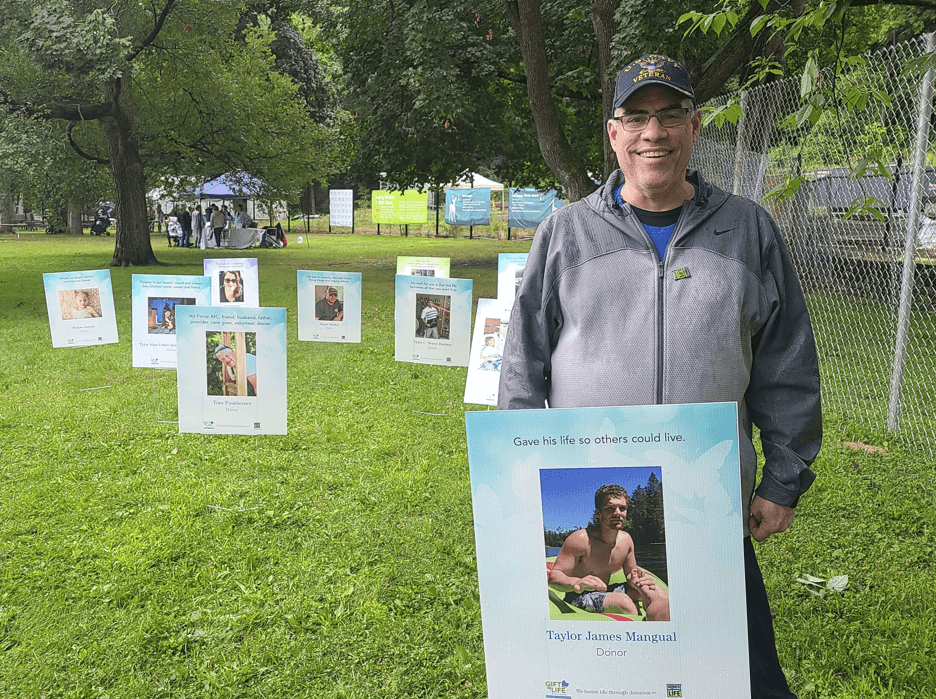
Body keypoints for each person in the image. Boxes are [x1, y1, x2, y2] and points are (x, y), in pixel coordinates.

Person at [499, 54, 821, 699]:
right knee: (596, 677)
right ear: (614, 133)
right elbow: (522, 364)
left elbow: (786, 363)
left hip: (709, 500)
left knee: (737, 676)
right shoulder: (566, 232)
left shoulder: (747, 229)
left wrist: (784, 478)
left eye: (670, 115)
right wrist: (517, 474)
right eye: (637, 117)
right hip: (589, 477)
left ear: (695, 126)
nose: (655, 133)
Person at [549, 484, 669, 621]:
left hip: (607, 589)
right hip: (579, 595)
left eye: (622, 508)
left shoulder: (626, 540)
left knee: (658, 590)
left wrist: (637, 580)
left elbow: (630, 573)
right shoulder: (580, 540)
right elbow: (554, 577)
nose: (617, 513)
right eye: (610, 509)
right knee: (625, 603)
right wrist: (577, 582)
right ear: (598, 513)